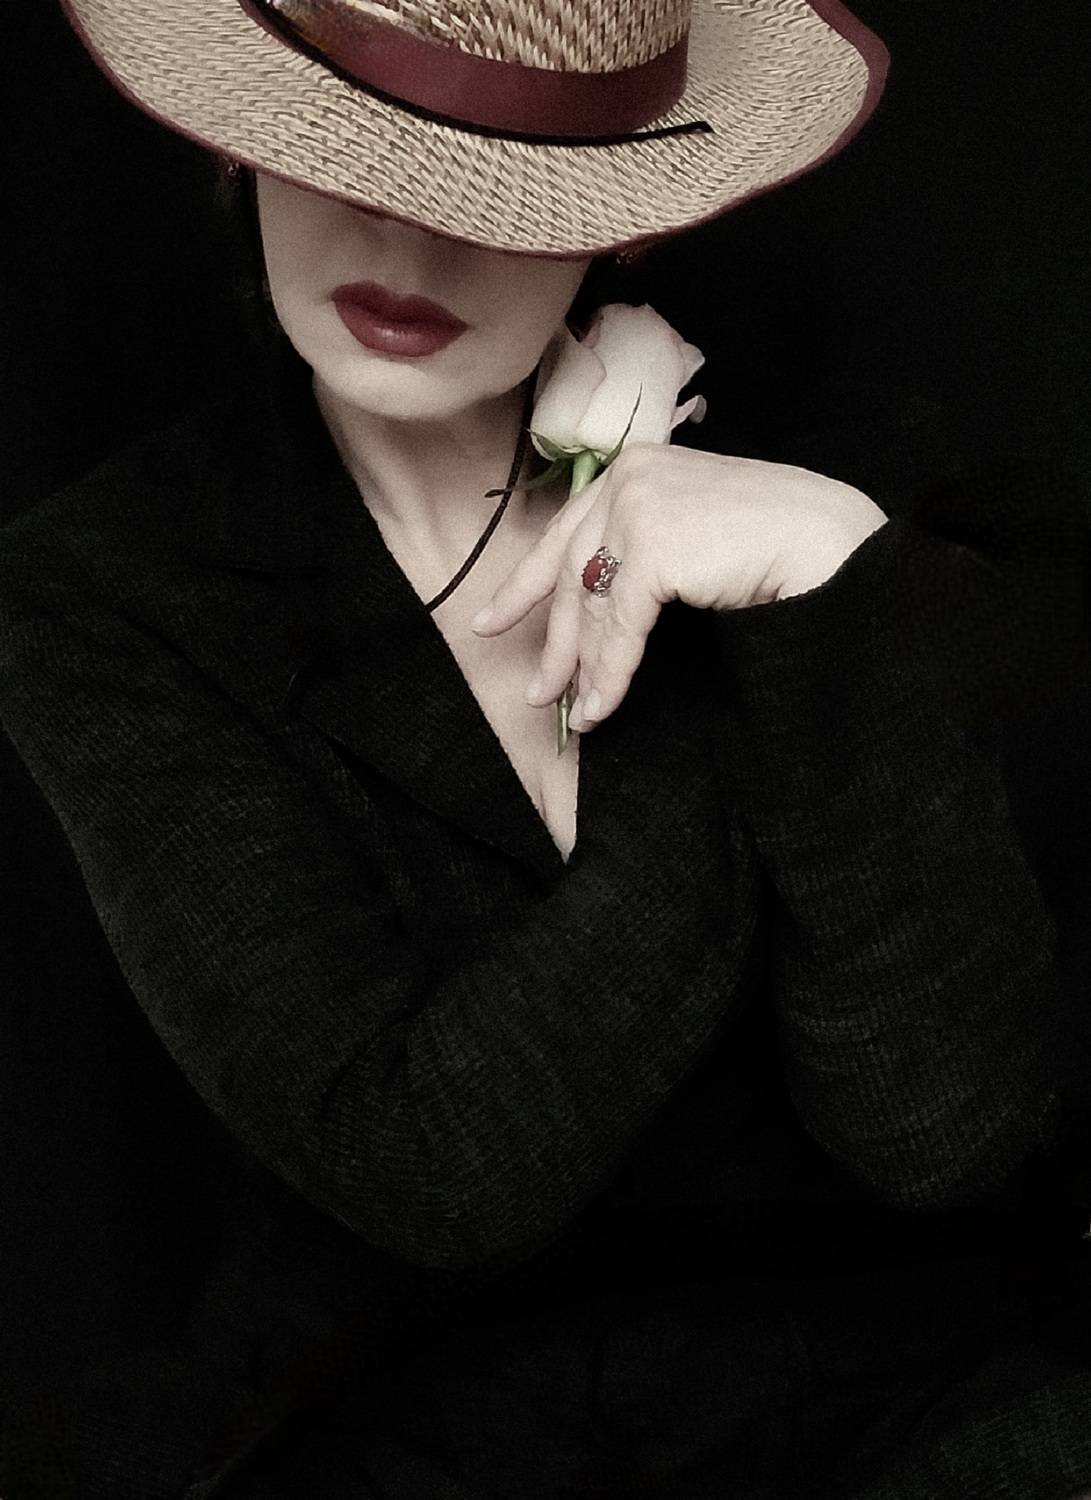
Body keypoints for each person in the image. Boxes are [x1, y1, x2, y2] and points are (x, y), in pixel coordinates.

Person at [2, 0, 1090, 1496]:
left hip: (905, 1413)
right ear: (243, 144)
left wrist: (819, 578)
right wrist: (701, 672)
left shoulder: (833, 483)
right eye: (352, 150)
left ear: (627, 217)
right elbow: (434, 1164)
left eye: (497, 176)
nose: (409, 234)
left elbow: (941, 1135)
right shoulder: (108, 595)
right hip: (425, 1432)